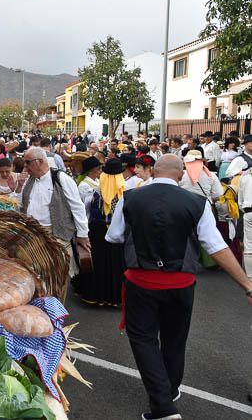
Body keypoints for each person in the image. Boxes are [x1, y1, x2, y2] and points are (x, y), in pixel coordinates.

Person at [105, 154, 252, 420]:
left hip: (142, 280)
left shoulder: (130, 197)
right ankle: (169, 391)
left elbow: (113, 236)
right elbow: (215, 246)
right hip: (181, 282)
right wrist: (247, 285)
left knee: (144, 339)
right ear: (181, 174)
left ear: (154, 171)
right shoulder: (196, 202)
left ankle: (163, 407)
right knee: (174, 339)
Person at [19, 147, 90, 281]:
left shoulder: (61, 178)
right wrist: (18, 186)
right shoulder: (29, 181)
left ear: (40, 161)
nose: (25, 166)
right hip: (33, 236)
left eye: (28, 162)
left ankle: (57, 301)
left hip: (57, 234)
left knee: (59, 277)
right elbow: (22, 205)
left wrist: (82, 234)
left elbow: (77, 207)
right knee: (38, 277)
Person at [72, 158, 126, 306]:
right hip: (117, 231)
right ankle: (114, 296)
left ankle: (96, 295)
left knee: (99, 263)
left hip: (97, 231)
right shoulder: (124, 191)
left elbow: (85, 213)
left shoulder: (95, 192)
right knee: (115, 264)